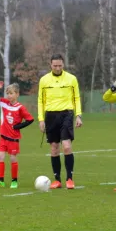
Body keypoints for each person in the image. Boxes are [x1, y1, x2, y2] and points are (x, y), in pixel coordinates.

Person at [38, 54, 82, 189]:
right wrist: (41, 119)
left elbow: (76, 97)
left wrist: (78, 115)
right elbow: (41, 100)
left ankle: (69, 178)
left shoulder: (71, 79)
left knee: (67, 146)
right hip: (50, 116)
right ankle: (57, 180)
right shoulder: (44, 80)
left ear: (63, 65)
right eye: (55, 65)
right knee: (54, 148)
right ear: (50, 65)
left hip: (66, 114)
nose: (57, 68)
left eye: (60, 65)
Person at [0, 81, 34, 189]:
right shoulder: (3, 102)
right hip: (3, 137)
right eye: (7, 93)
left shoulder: (20, 108)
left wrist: (17, 127)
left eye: (11, 93)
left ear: (17, 94)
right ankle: (0, 180)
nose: (9, 95)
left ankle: (14, 181)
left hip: (13, 139)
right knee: (0, 157)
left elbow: (30, 119)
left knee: (13, 159)